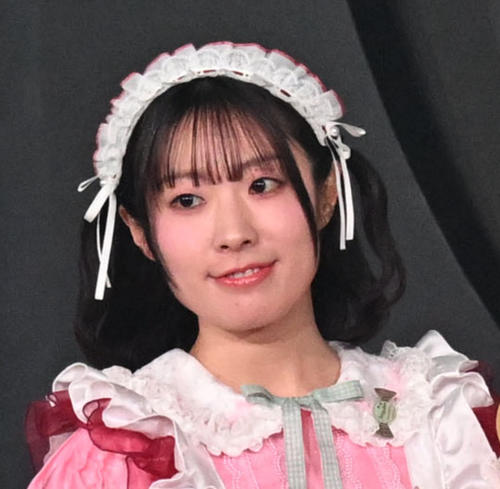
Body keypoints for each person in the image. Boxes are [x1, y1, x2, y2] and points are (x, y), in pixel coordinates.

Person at [26, 42, 499, 489]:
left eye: (262, 185)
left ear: (326, 194)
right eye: (187, 200)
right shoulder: (122, 447)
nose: (234, 233)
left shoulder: (442, 419)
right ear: (139, 231)